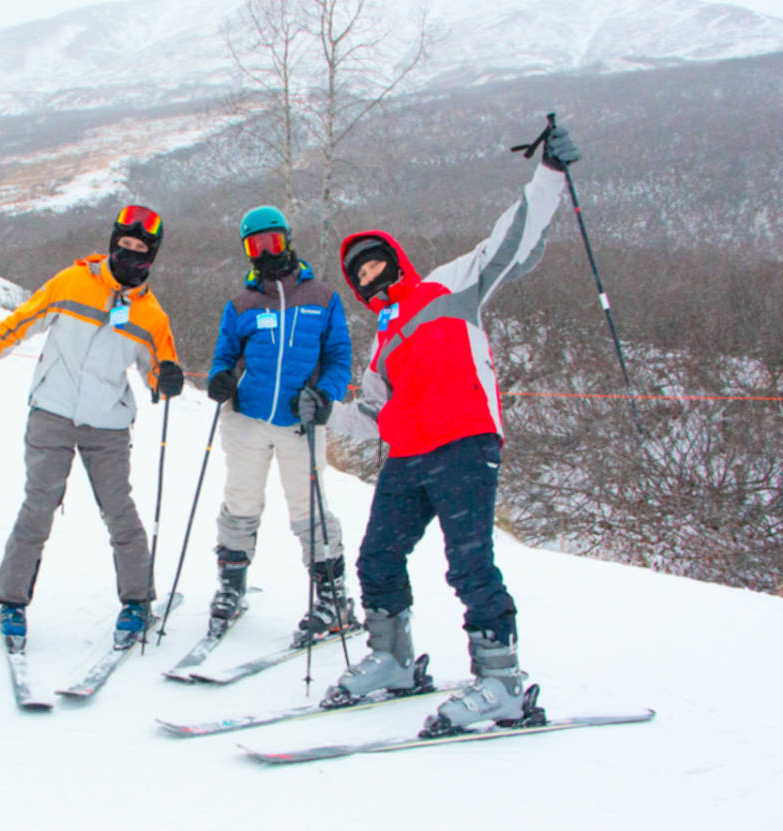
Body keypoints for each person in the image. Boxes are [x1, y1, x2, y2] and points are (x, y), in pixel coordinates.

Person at [322, 123, 582, 731]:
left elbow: (511, 237)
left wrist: (549, 175)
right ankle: (391, 658)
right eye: (357, 275)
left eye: (375, 263)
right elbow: (369, 418)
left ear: (396, 258)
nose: (369, 277)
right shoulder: (382, 345)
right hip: (407, 457)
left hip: (465, 440)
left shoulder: (450, 282)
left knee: (469, 563)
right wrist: (319, 408)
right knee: (377, 557)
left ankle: (501, 683)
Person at [0, 205, 183, 647]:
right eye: (123, 246)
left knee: (120, 513)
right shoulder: (72, 283)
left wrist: (167, 380)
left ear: (151, 257)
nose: (129, 255)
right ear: (112, 244)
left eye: (139, 250)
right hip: (52, 412)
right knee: (39, 506)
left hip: (108, 426)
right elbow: (21, 323)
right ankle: (10, 601)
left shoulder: (152, 316)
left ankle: (136, 602)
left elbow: (157, 375)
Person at [205, 205, 353, 646]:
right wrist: (220, 378)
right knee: (241, 502)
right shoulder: (242, 304)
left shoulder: (322, 297)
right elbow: (224, 355)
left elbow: (340, 358)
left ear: (287, 239)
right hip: (247, 418)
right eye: (255, 245)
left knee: (308, 509)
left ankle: (333, 598)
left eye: (272, 242)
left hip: (300, 423)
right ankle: (232, 586)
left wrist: (324, 395)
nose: (266, 252)